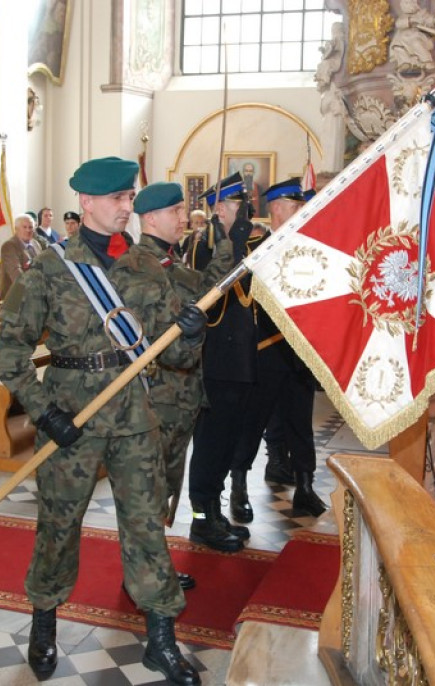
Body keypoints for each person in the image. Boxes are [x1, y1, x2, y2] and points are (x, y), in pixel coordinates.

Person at [0, 156, 205, 685]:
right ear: (87, 203)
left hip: (137, 415)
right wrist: (44, 412)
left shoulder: (144, 267)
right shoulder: (48, 269)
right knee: (59, 528)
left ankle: (160, 638)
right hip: (71, 416)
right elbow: (12, 355)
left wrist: (191, 331)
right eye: (116, 199)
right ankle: (44, 624)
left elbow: (176, 358)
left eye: (129, 199)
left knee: (145, 526)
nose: (125, 208)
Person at [131, 181, 236, 588]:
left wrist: (225, 240)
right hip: (156, 397)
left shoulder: (168, 264)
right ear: (151, 218)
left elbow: (209, 288)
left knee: (166, 484)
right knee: (149, 486)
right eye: (175, 211)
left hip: (180, 398)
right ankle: (143, 572)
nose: (182, 219)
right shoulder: (141, 266)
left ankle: (152, 564)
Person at [226, 179, 327, 520]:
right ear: (277, 210)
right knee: (251, 424)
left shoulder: (309, 249)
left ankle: (306, 488)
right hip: (266, 351)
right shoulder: (257, 250)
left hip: (299, 353)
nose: (302, 213)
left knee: (300, 423)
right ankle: (238, 488)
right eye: (295, 208)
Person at [185, 171, 259, 552]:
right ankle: (201, 518)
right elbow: (209, 302)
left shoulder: (243, 242)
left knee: (229, 440)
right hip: (216, 360)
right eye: (233, 206)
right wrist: (232, 244)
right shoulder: (205, 246)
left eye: (241, 205)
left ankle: (215, 511)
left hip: (243, 360)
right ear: (218, 209)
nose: (239, 212)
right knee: (211, 442)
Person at [0, 214, 46, 298]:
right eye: (25, 227)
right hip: (15, 297)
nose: (28, 230)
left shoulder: (36, 244)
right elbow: (16, 274)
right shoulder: (9, 246)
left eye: (30, 227)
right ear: (16, 229)